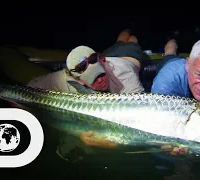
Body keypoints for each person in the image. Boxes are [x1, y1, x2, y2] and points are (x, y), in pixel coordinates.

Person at [26, 29, 146, 161]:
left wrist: (112, 143)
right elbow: (31, 86)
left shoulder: (125, 76)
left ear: (102, 61)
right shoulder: (63, 77)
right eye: (93, 79)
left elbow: (140, 120)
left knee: (132, 41)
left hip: (130, 57)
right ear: (78, 80)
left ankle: (130, 29)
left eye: (101, 74)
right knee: (120, 42)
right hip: (109, 56)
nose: (100, 80)